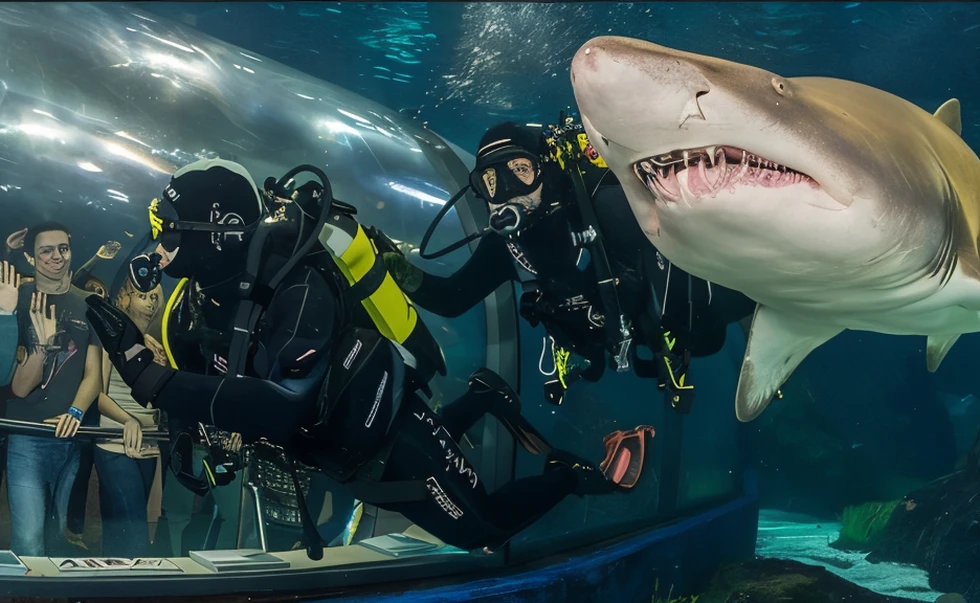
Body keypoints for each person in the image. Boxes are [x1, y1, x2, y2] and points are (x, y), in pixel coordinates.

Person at [86, 158, 644, 557]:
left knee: (481, 531)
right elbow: (199, 384)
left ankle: (569, 476)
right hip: (337, 448)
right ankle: (482, 396)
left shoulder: (299, 286)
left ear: (222, 233)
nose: (157, 244)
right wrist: (184, 434)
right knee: (406, 490)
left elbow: (281, 408)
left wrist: (148, 378)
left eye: (168, 228)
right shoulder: (187, 310)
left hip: (389, 427)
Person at [395, 117, 758, 410]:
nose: (508, 191)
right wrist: (395, 269)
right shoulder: (506, 247)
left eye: (520, 170)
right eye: (490, 182)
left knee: (714, 329)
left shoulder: (608, 204)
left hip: (676, 321)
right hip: (602, 343)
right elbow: (451, 299)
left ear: (547, 169)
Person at [6, 222, 103, 557]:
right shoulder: (16, 298)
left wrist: (76, 410)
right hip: (26, 434)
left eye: (63, 248)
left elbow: (94, 375)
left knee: (57, 536)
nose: (56, 257)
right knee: (29, 540)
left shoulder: (89, 303)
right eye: (46, 250)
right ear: (31, 258)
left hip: (70, 438)